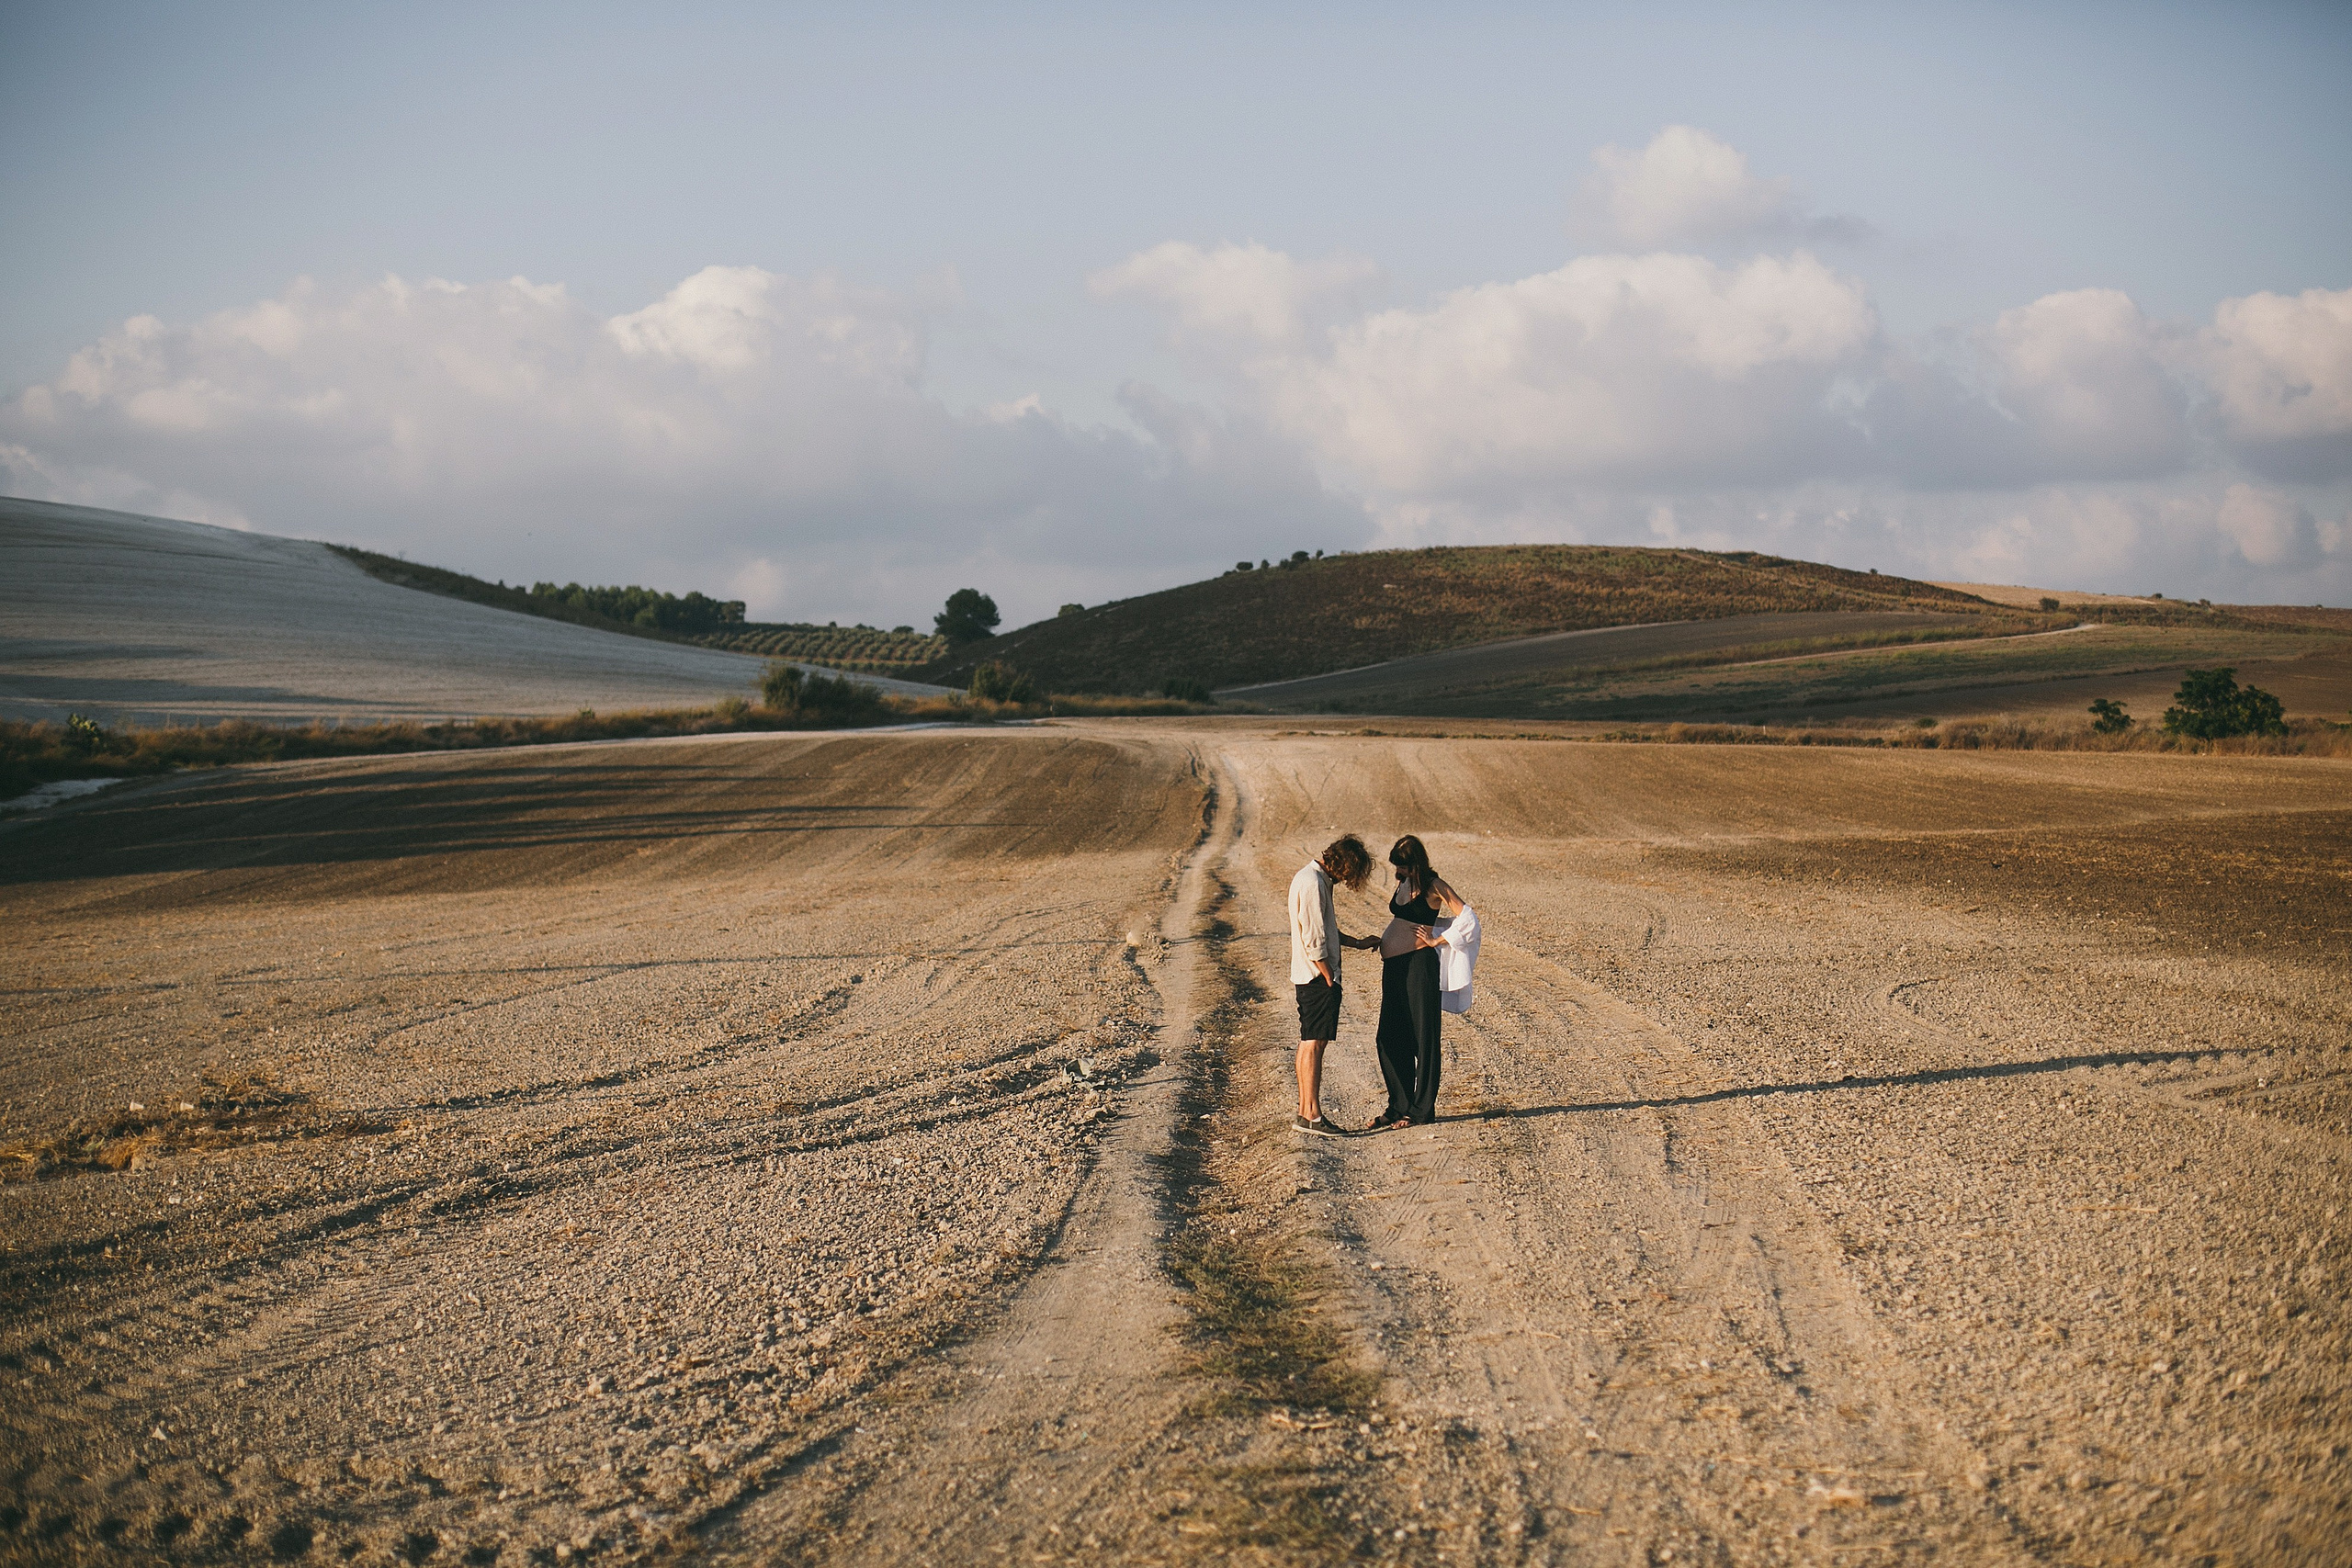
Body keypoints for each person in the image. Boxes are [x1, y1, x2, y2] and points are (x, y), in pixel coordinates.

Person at [1288, 834, 1378, 1135]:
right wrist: (1328, 975)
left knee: (1309, 1041)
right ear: (1344, 865)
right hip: (1316, 977)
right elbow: (1313, 938)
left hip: (1309, 975)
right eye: (1352, 873)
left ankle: (1305, 1113)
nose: (1349, 880)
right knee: (1314, 1044)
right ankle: (1312, 1116)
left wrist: (1357, 943)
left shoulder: (1311, 878)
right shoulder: (1313, 882)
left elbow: (1325, 930)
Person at [1373, 835, 1462, 1129]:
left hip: (1419, 967)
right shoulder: (1404, 883)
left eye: (1404, 867)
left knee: (1424, 1038)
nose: (1399, 872)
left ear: (1417, 864)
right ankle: (1399, 1105)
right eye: (1397, 867)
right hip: (1394, 968)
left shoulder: (1435, 886)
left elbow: (1468, 918)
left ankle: (1422, 1110)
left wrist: (1437, 939)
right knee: (1389, 1036)